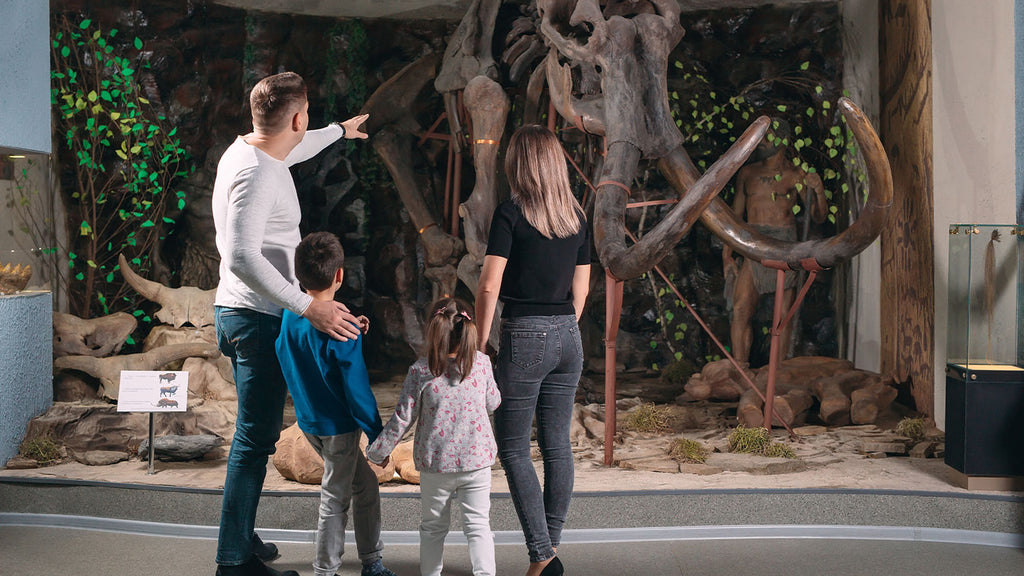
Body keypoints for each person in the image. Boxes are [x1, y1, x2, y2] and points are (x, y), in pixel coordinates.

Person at [212, 71, 370, 576]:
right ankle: (232, 561)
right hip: (255, 318)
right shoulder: (257, 174)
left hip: (241, 313)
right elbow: (240, 256)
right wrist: (307, 306)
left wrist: (339, 131)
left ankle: (241, 533)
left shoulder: (254, 151)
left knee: (253, 437)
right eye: (309, 118)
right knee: (254, 440)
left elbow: (296, 150)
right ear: (296, 117)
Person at [474, 124, 590, 576]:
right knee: (558, 446)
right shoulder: (576, 216)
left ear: (519, 164)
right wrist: (563, 327)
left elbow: (488, 286)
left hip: (524, 333)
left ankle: (542, 554)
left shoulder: (511, 213)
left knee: (515, 448)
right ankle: (548, 555)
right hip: (568, 334)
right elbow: (582, 288)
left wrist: (480, 345)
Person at [274, 231, 398, 576]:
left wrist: (355, 326)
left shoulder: (289, 316)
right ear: (340, 275)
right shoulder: (343, 335)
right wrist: (378, 435)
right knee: (334, 500)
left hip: (309, 422)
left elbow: (290, 353)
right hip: (339, 428)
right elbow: (357, 391)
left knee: (365, 485)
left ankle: (372, 560)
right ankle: (325, 570)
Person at [366, 297, 501, 576]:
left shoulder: (420, 371)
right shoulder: (483, 364)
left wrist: (377, 452)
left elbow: (403, 418)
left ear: (433, 330)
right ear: (468, 329)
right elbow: (493, 403)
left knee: (432, 529)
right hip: (476, 462)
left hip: (435, 465)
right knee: (478, 527)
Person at [722, 122, 828, 365]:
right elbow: (735, 218)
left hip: (784, 243)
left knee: (782, 317)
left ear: (783, 141)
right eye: (761, 138)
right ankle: (741, 370)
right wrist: (727, 255)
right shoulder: (747, 174)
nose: (762, 143)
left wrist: (819, 191)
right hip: (753, 242)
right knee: (740, 310)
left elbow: (818, 217)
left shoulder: (795, 174)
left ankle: (778, 373)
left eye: (767, 138)